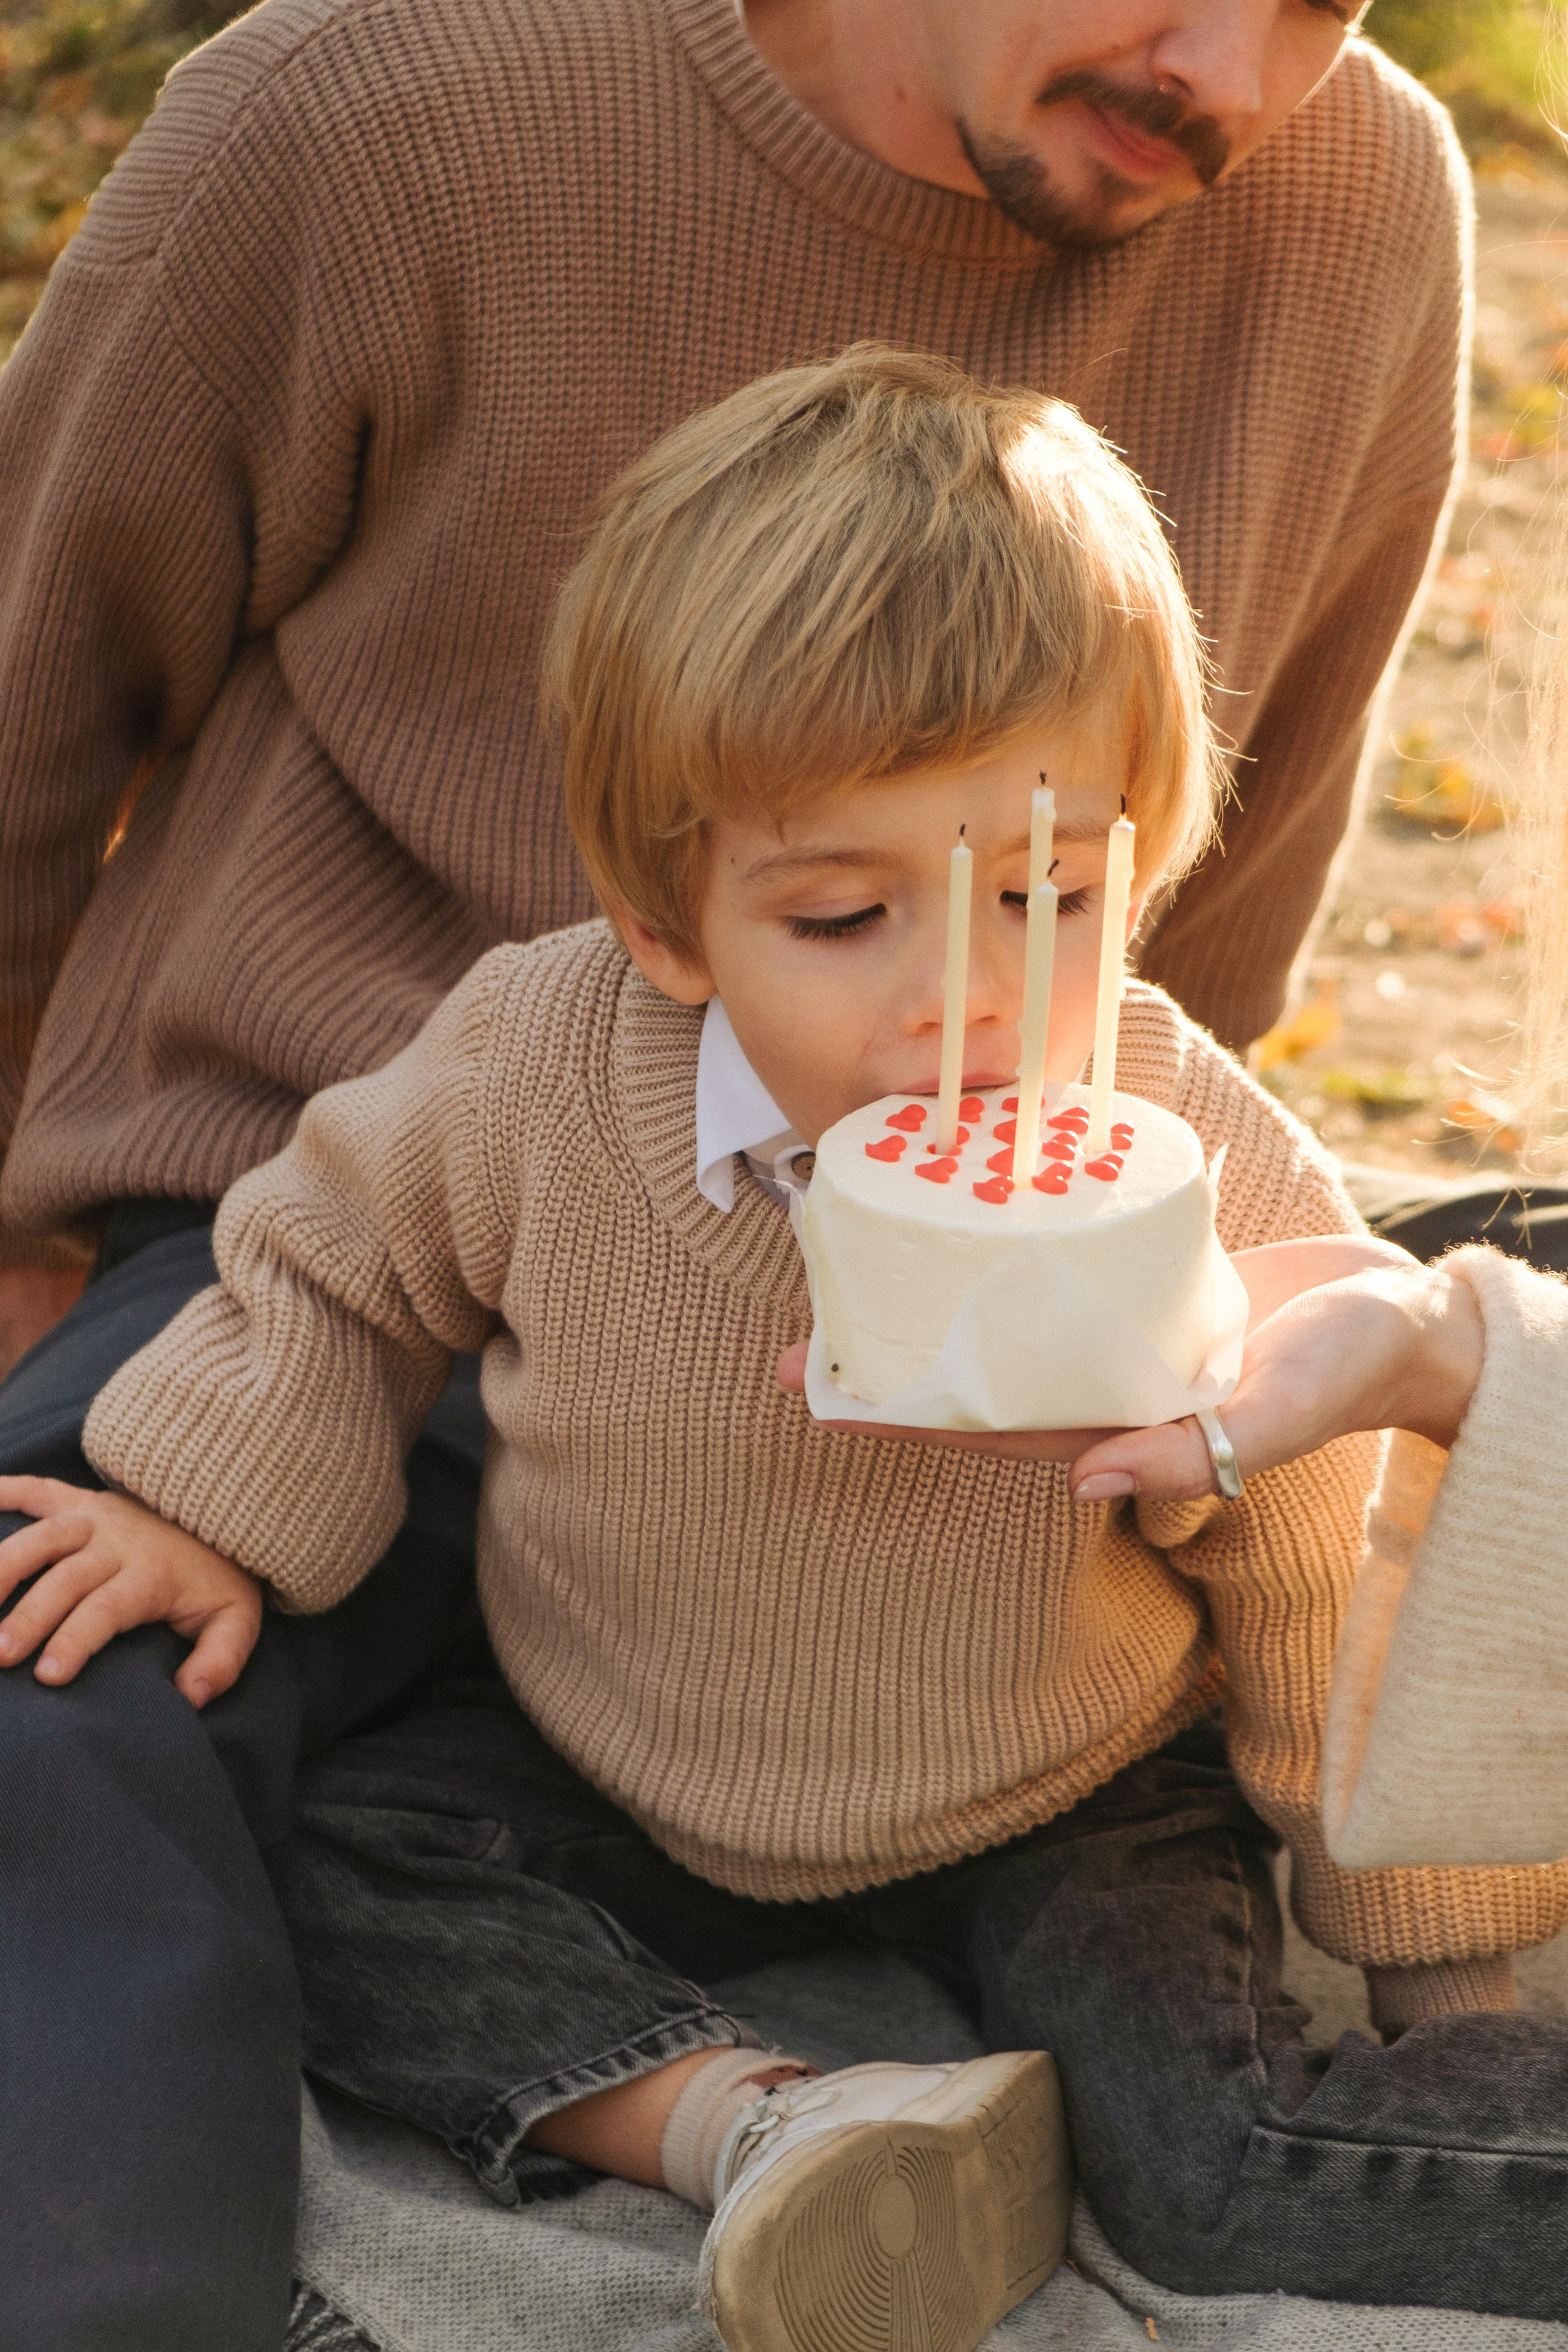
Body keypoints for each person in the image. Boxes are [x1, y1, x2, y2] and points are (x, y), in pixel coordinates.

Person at [0, 1, 1469, 2341]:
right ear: (673, 910)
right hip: (370, 1322)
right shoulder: (368, 109)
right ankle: (709, 2141)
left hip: (1031, 1668)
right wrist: (149, 1420)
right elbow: (314, 1220)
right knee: (114, 1685)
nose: (1242, 58)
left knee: (1236, 2131)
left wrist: (1435, 1917)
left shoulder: (1353, 201)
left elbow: (1295, 1441)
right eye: (843, 912)